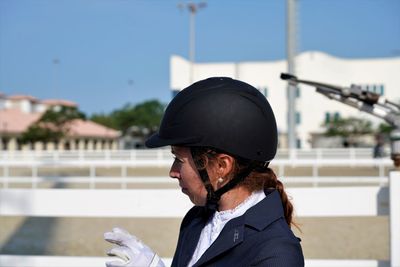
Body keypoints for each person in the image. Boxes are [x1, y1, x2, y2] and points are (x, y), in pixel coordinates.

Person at [104, 77, 304, 267]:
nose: (173, 172)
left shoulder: (277, 252)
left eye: (179, 160)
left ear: (222, 166)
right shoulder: (197, 220)